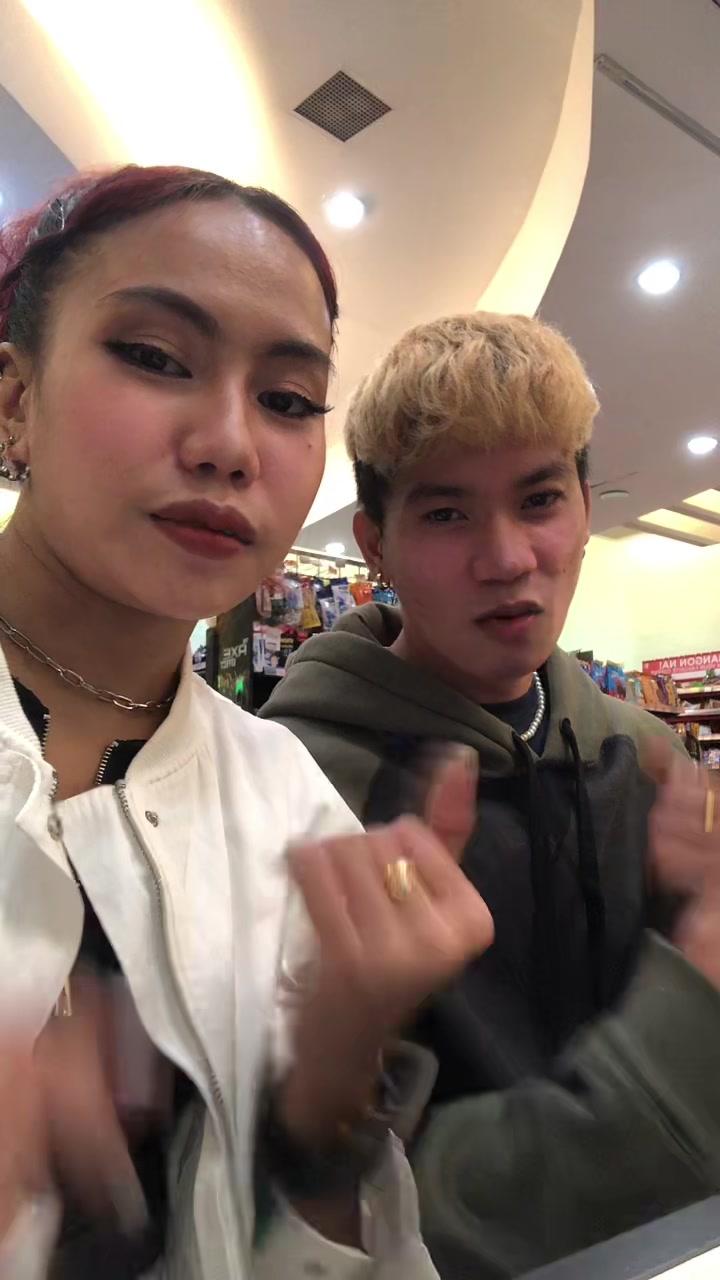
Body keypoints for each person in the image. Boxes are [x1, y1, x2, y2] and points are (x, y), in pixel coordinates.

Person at [0, 170, 494, 1279]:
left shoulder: (289, 800)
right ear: (14, 401)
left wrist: (331, 1083)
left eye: (288, 399)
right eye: (155, 356)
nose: (231, 444)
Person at [262, 312, 720, 1276]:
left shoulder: (643, 755)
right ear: (374, 544)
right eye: (446, 514)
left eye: (540, 498)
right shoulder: (294, 789)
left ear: (586, 508)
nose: (508, 558)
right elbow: (321, 1198)